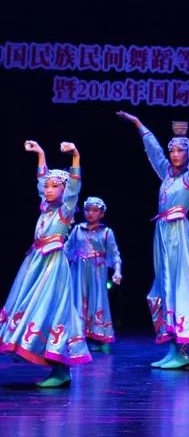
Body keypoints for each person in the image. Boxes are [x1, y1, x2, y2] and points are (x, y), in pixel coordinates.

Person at [117, 101, 189, 369]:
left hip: (178, 233)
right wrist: (138, 124)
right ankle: (174, 348)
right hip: (162, 232)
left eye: (180, 150)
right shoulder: (166, 174)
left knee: (179, 285)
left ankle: (183, 350)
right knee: (165, 286)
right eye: (172, 150)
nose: (175, 154)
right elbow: (153, 152)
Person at [0, 140, 91, 387]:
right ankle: (56, 368)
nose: (48, 190)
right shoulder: (45, 207)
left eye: (54, 187)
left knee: (50, 310)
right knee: (31, 307)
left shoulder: (65, 210)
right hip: (36, 263)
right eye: (47, 187)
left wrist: (75, 155)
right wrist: (40, 153)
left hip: (53, 266)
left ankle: (61, 370)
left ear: (63, 190)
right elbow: (40, 180)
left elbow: (75, 186)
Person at [64, 197, 122, 353]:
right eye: (88, 210)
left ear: (101, 214)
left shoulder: (106, 232)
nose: (90, 213)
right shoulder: (77, 229)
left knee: (97, 300)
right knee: (78, 299)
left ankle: (101, 338)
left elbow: (115, 254)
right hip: (78, 271)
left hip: (97, 272)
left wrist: (117, 271)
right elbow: (66, 248)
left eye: (95, 210)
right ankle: (77, 337)